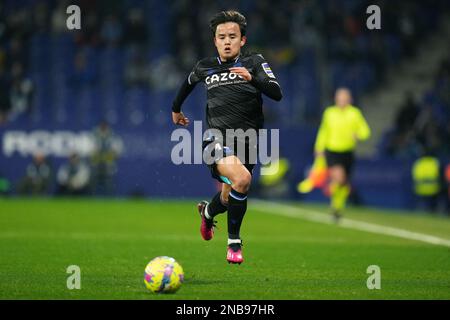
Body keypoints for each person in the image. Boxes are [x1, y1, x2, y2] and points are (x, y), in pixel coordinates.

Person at [171, 10, 282, 264]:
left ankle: (207, 213)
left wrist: (253, 79)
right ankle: (234, 243)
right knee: (242, 179)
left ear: (242, 40)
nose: (227, 41)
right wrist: (176, 109)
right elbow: (187, 84)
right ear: (215, 41)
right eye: (222, 37)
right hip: (215, 140)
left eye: (233, 36)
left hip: (247, 142)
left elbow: (276, 93)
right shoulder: (205, 67)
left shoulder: (254, 62)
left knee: (227, 196)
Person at [314, 88, 371, 221]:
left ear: (350, 99)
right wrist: (318, 147)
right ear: (336, 99)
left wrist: (358, 135)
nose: (342, 100)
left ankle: (337, 207)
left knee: (344, 183)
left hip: (348, 152)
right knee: (339, 178)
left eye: (345, 98)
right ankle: (335, 204)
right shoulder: (329, 113)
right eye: (340, 97)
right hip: (332, 150)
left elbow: (366, 131)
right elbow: (324, 131)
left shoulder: (355, 113)